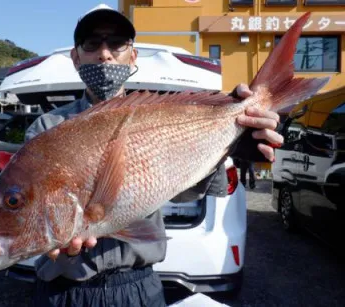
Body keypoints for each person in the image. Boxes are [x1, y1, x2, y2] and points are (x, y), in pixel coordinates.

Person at [25, 4, 283, 307]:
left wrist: (232, 143)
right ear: (75, 56)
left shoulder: (159, 115)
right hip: (63, 289)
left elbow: (186, 193)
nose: (105, 54)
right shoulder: (48, 128)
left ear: (132, 56)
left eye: (117, 44)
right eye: (92, 44)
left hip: (138, 286)